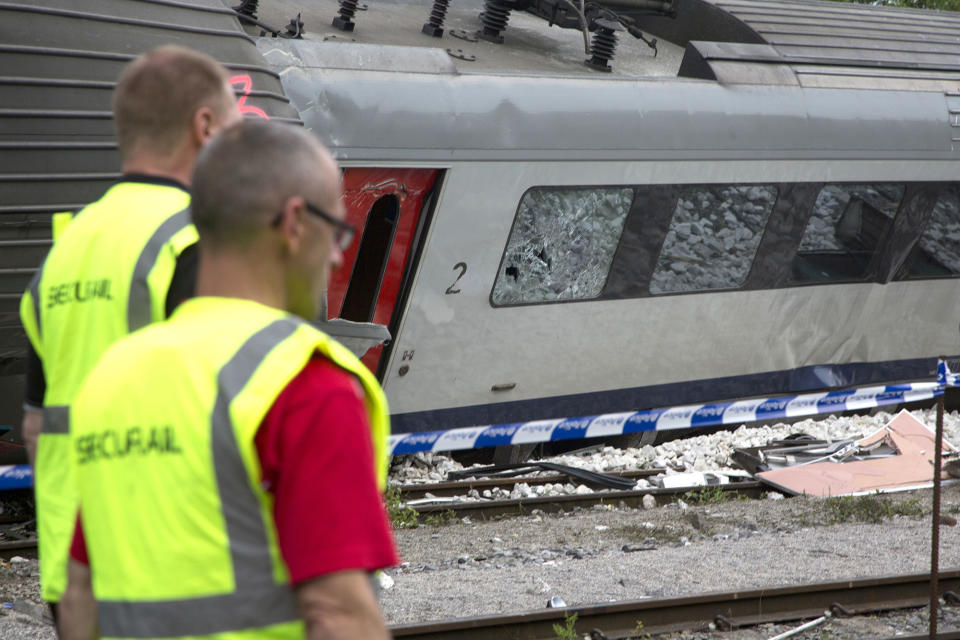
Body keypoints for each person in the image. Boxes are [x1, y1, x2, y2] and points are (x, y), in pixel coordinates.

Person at [59, 120, 398, 640]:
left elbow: (79, 594)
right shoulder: (304, 383)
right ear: (294, 223)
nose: (335, 254)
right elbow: (339, 614)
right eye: (335, 231)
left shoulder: (114, 374)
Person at [18, 45, 241, 617]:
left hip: (71, 568)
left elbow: (39, 426)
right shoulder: (197, 239)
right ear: (205, 125)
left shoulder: (66, 250)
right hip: (168, 560)